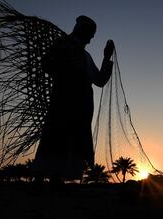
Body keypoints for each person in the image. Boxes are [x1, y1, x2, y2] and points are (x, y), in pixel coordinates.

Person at [32, 15, 115, 182]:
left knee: (72, 142)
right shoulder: (62, 45)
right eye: (90, 34)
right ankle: (40, 178)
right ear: (82, 31)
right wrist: (68, 72)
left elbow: (99, 80)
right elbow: (47, 65)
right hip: (62, 102)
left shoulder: (86, 56)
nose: (91, 39)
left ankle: (58, 179)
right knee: (54, 138)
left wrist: (106, 58)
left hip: (81, 107)